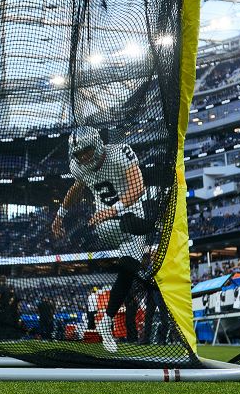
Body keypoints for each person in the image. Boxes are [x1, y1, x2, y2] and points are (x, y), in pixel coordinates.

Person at [50, 125, 148, 353]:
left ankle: (107, 319)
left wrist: (114, 209)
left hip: (129, 214)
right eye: (79, 154)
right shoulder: (79, 167)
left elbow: (138, 187)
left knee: (128, 270)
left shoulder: (119, 153)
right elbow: (76, 188)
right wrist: (60, 216)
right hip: (106, 223)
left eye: (86, 151)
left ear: (97, 145)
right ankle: (148, 227)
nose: (83, 157)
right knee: (127, 229)